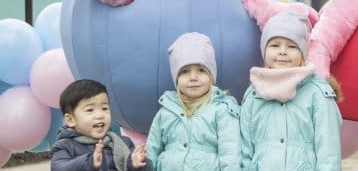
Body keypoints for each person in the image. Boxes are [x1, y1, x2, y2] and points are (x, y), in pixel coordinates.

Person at [239, 11, 342, 170]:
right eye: (274, 45)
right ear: (264, 50)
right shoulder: (253, 95)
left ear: (303, 52)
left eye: (292, 46)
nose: (282, 51)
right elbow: (244, 150)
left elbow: (328, 151)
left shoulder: (318, 94)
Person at [146, 32, 241, 170]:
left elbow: (230, 154)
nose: (193, 77)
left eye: (201, 70)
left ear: (211, 75)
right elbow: (152, 149)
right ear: (176, 78)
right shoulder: (166, 112)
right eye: (185, 71)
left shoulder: (221, 109)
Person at [52, 79, 150, 171]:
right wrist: (89, 162)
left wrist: (135, 163)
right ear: (70, 120)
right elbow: (59, 168)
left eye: (104, 108)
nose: (100, 115)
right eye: (90, 110)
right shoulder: (65, 146)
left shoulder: (122, 142)